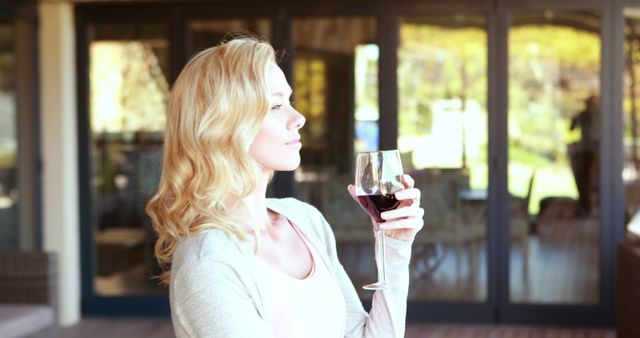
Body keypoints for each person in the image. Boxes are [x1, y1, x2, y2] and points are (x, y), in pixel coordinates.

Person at [146, 36, 424, 338]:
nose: (299, 118)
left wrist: (395, 246)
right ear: (222, 125)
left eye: (289, 101)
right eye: (276, 105)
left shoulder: (304, 220)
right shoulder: (208, 261)